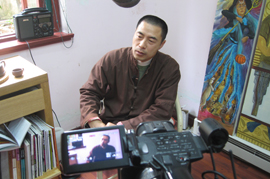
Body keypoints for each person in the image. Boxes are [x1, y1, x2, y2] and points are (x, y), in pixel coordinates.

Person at [80, 15, 181, 130]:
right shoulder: (112, 59)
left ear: (161, 44)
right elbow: (89, 92)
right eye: (139, 36)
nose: (142, 45)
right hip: (109, 123)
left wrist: (123, 127)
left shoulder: (169, 68)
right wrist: (94, 121)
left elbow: (162, 109)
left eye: (151, 41)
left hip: (148, 127)